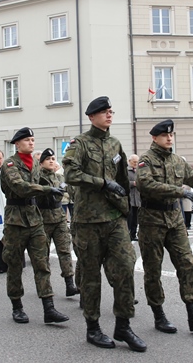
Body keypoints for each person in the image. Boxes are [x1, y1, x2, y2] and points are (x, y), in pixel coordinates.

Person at [62, 96, 146, 352]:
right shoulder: (79, 143)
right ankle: (93, 328)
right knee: (90, 277)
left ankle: (123, 325)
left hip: (114, 218)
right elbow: (71, 174)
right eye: (104, 112)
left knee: (125, 267)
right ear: (92, 116)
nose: (109, 115)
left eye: (111, 111)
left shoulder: (115, 143)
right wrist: (102, 183)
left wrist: (125, 207)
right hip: (88, 221)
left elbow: (122, 180)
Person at [136, 120, 193, 335]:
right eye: (164, 135)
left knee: (187, 264)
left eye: (171, 135)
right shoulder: (146, 160)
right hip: (152, 220)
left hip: (175, 220)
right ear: (155, 138)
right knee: (153, 269)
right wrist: (179, 191)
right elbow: (145, 184)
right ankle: (159, 315)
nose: (169, 138)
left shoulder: (178, 161)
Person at [0, 127, 69, 325]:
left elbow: (47, 180)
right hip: (16, 220)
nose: (31, 142)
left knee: (42, 264)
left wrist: (60, 183)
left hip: (35, 218)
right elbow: (20, 187)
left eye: (33, 139)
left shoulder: (36, 164)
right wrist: (48, 189)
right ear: (17, 144)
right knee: (15, 264)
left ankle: (49, 308)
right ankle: (17, 306)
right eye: (27, 140)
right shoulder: (10, 164)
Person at [37, 148, 79, 297]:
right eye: (47, 159)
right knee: (43, 255)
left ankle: (70, 284)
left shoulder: (59, 177)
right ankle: (45, 287)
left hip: (59, 217)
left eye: (53, 159)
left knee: (65, 251)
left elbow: (69, 191)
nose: (51, 161)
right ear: (41, 163)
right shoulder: (37, 178)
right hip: (43, 219)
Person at [127, 154, 140, 241]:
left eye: (137, 162)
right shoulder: (126, 171)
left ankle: (133, 234)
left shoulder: (139, 171)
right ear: (129, 161)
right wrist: (132, 183)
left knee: (135, 219)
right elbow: (123, 183)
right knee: (129, 218)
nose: (135, 163)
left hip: (137, 199)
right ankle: (128, 234)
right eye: (134, 162)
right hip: (129, 198)